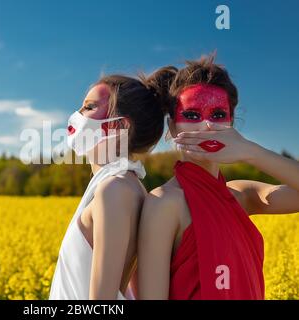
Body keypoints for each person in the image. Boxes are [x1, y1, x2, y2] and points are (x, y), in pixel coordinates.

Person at [137, 54, 299, 300]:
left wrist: (250, 151)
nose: (206, 126)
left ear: (232, 124)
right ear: (172, 127)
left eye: (218, 114)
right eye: (191, 115)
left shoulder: (242, 194)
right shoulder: (163, 203)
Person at [49, 67, 176, 299]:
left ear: (120, 126)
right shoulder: (122, 185)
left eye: (89, 107)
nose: (77, 114)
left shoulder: (115, 189)